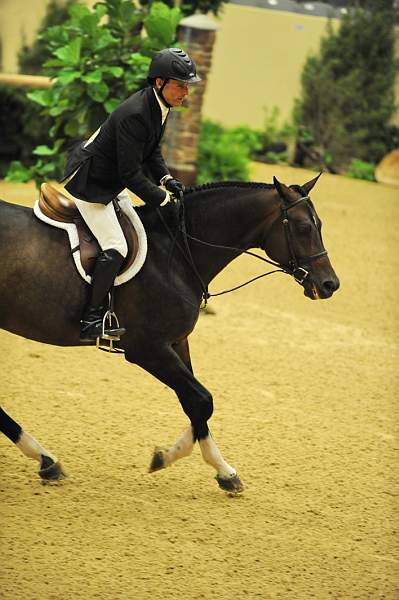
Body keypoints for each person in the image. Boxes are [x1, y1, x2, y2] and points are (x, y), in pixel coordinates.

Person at [62, 48, 201, 342]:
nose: (185, 93)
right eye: (180, 85)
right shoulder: (136, 114)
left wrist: (166, 179)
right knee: (117, 246)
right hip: (92, 184)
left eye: (187, 86)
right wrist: (161, 199)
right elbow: (130, 174)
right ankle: (91, 318)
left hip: (110, 180)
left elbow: (151, 151)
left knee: (140, 234)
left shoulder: (158, 106)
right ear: (160, 82)